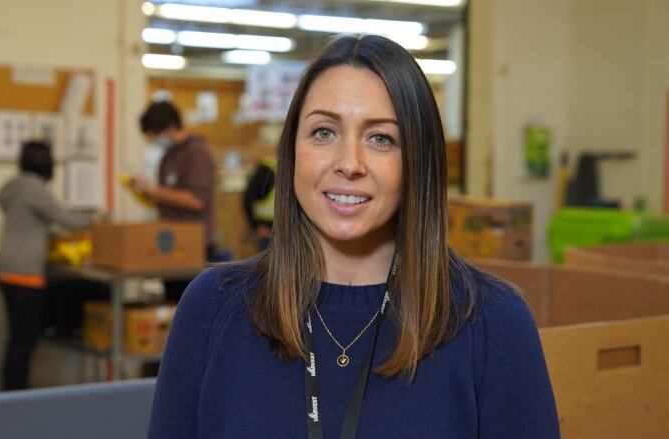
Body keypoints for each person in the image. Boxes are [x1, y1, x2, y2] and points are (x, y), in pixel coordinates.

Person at [147, 35, 559, 438]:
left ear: (418, 161)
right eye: (324, 132)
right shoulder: (212, 309)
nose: (349, 163)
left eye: (381, 138)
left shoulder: (492, 323)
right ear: (292, 151)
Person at [0, 140, 94, 390]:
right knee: (24, 341)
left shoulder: (13, 187)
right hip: (25, 273)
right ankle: (16, 394)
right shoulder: (34, 189)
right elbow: (66, 219)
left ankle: (10, 390)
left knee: (17, 338)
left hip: (6, 270)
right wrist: (97, 220)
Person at [130, 101, 216, 302]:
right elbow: (167, 197)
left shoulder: (197, 152)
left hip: (195, 246)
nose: (152, 141)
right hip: (169, 243)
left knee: (192, 307)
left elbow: (196, 201)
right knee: (171, 305)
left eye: (153, 135)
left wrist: (154, 191)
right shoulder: (168, 156)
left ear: (168, 127)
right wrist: (146, 193)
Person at [242, 154, 276, 251]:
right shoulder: (267, 170)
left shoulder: (289, 167)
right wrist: (255, 226)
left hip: (286, 230)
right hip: (268, 232)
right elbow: (248, 197)